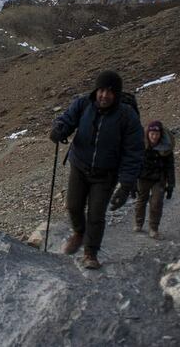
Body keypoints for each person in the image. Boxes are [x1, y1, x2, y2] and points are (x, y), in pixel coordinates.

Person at [50, 70, 144, 269]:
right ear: (96, 90)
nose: (104, 95)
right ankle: (78, 233)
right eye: (101, 90)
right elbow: (67, 119)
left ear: (116, 94)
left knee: (96, 214)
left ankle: (90, 253)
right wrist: (59, 129)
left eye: (109, 92)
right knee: (73, 206)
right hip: (80, 165)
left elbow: (134, 152)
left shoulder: (127, 116)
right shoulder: (83, 104)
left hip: (106, 174)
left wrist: (126, 184)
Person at [134, 120, 175, 239]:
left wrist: (171, 184)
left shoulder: (166, 148)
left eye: (156, 134)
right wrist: (131, 182)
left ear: (160, 134)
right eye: (152, 134)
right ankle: (138, 222)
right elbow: (134, 163)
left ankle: (154, 228)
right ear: (148, 134)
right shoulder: (140, 145)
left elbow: (170, 166)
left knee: (157, 203)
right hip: (143, 177)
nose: (154, 136)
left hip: (159, 178)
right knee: (141, 200)